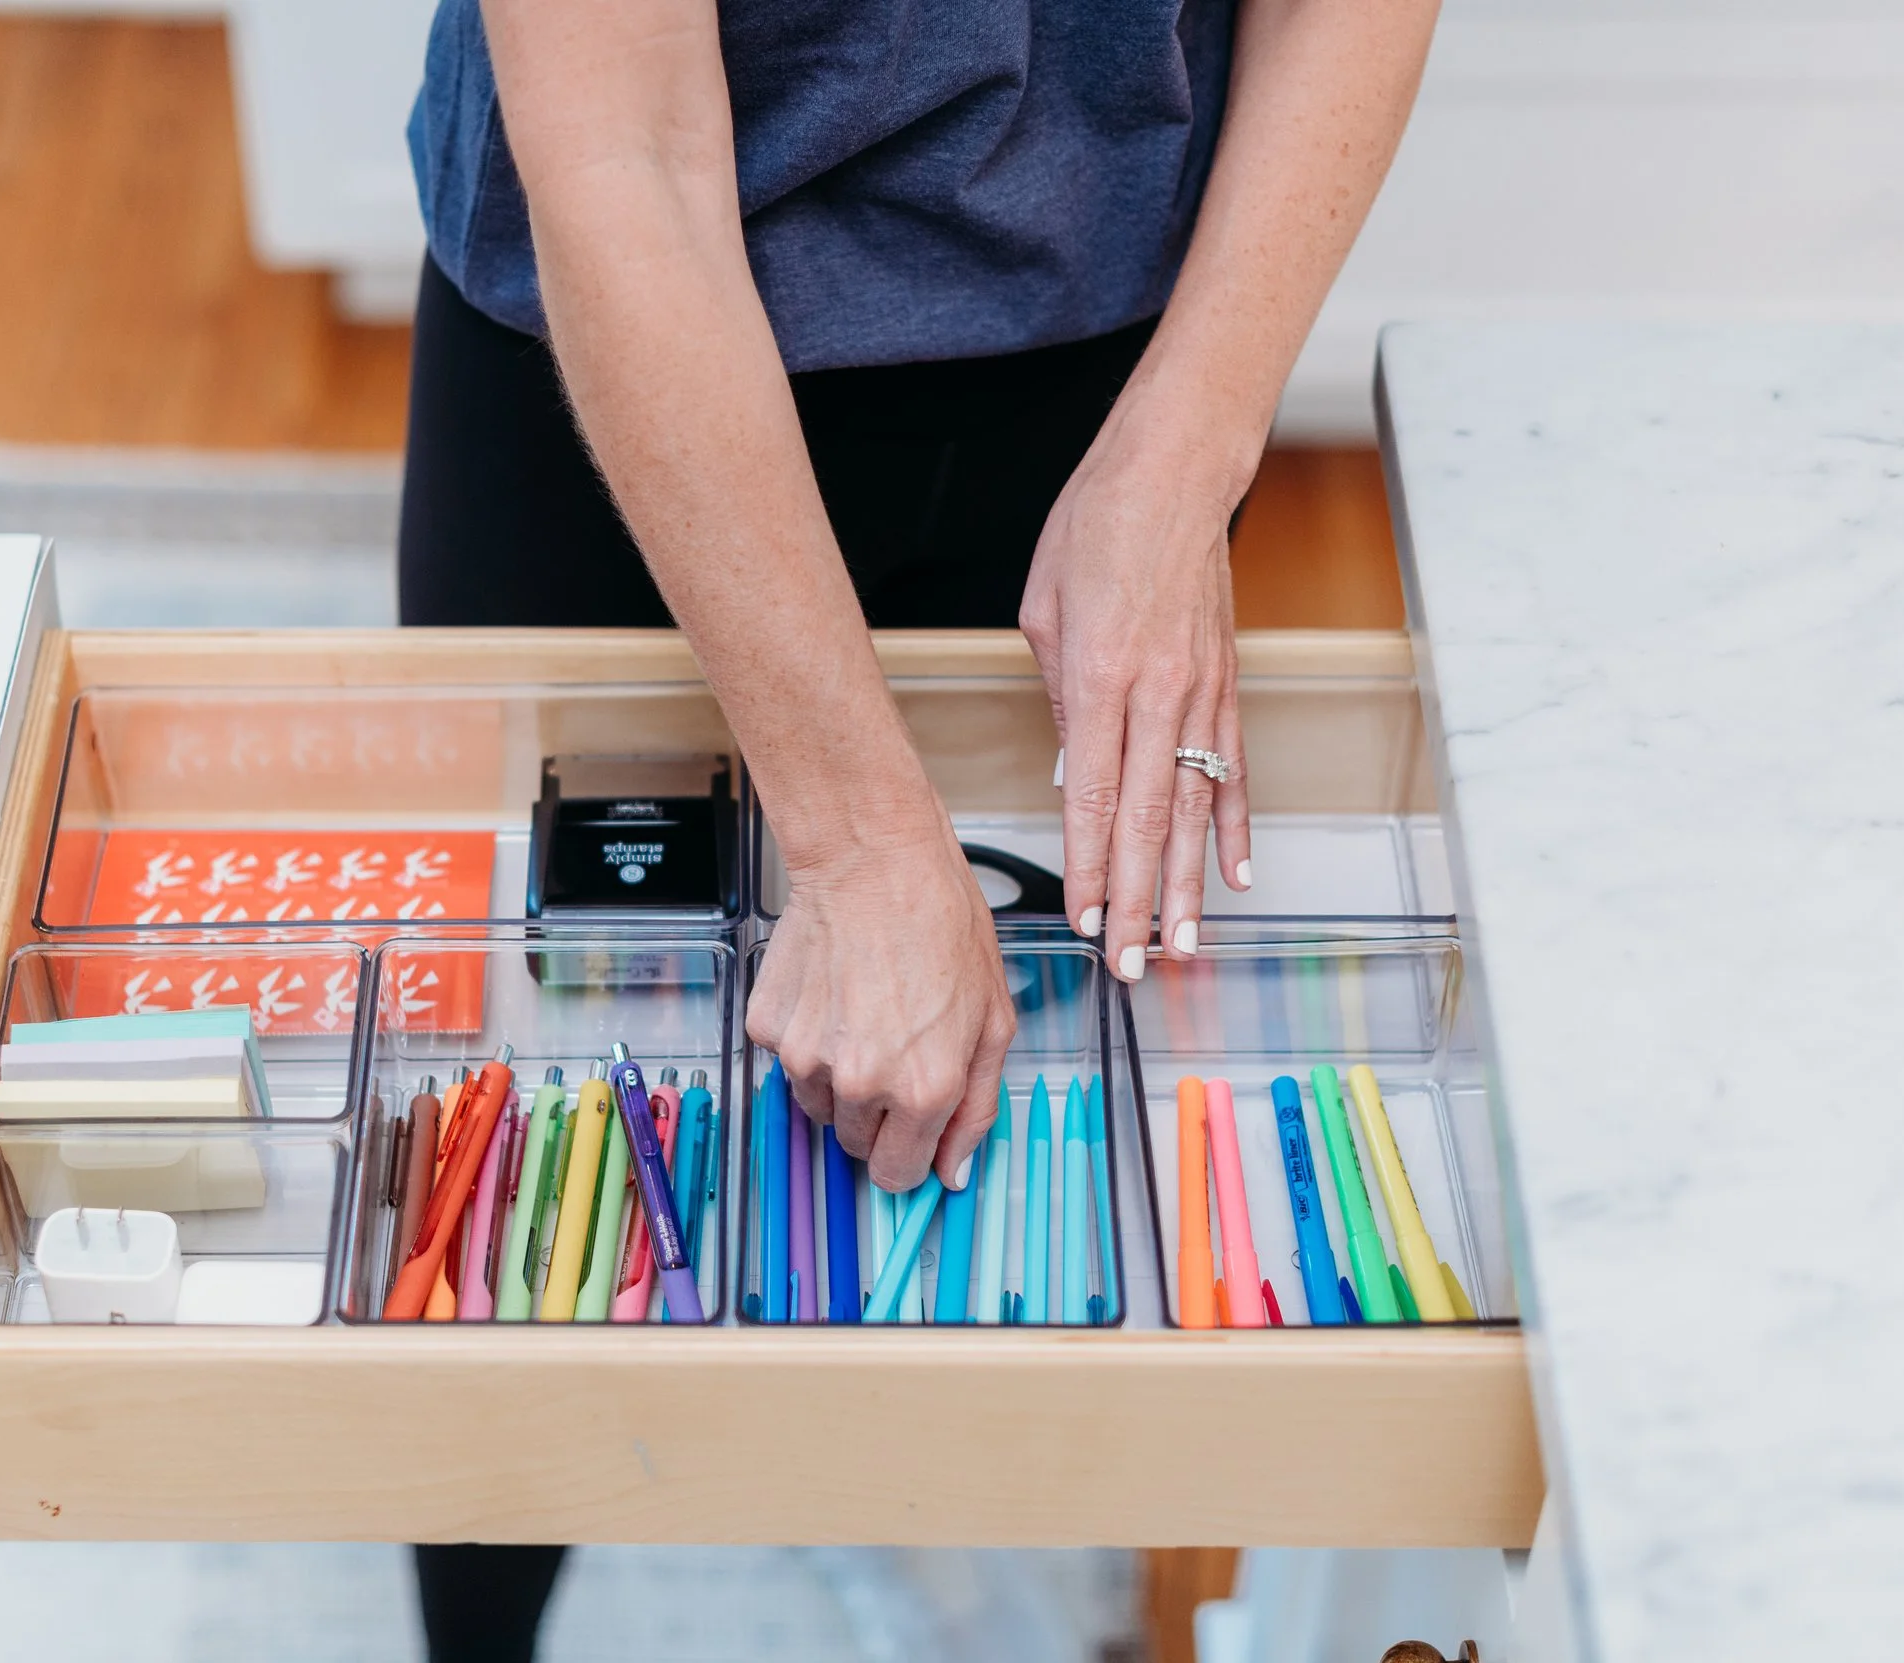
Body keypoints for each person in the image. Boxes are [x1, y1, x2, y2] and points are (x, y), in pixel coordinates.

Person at [394, 0, 1439, 1654]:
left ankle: (931, 1481)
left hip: (1119, 350)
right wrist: (867, 848)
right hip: (625, 344)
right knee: (520, 1162)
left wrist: (1183, 454)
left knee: (1042, 1104)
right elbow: (627, 158)